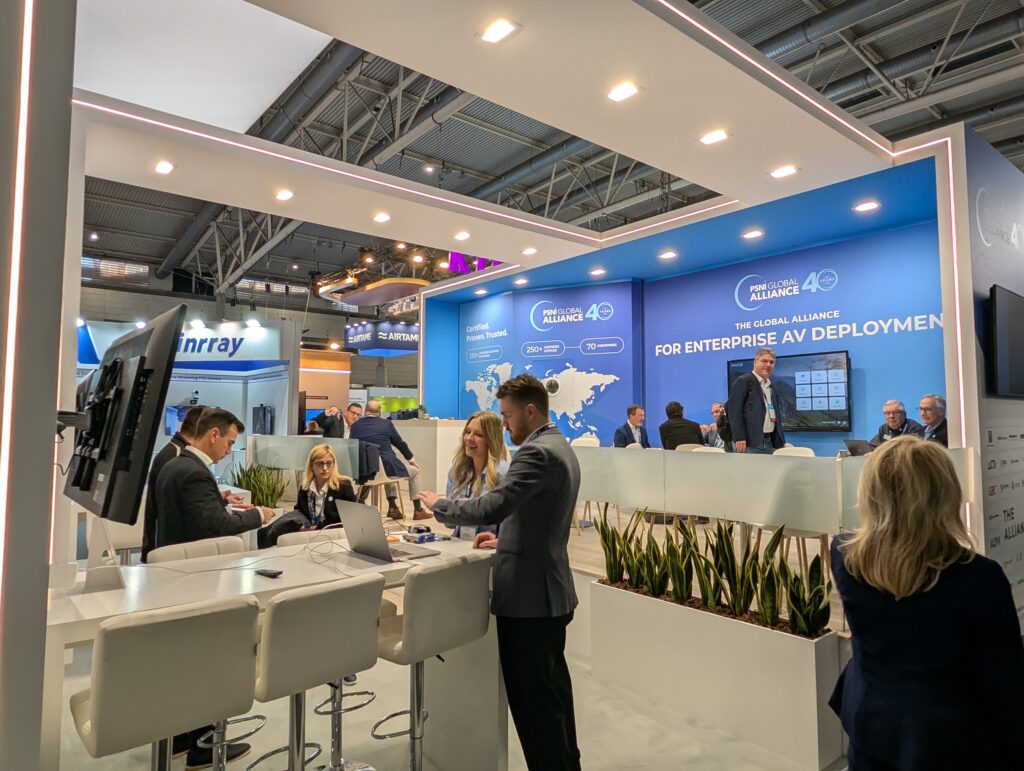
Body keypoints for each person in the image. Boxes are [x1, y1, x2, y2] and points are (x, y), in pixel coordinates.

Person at [418, 374, 582, 771]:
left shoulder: (536, 452)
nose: (504, 424)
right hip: (548, 592)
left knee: (535, 710)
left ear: (531, 410)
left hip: (530, 601)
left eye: (507, 415)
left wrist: (440, 505)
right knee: (554, 700)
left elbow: (494, 506)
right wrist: (506, 539)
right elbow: (537, 516)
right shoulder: (559, 445)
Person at [830, 436, 1024, 770]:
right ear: (946, 494)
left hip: (870, 721)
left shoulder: (844, 554)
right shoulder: (979, 577)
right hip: (948, 741)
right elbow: (1005, 683)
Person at [155, 408, 274, 549]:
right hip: (192, 558)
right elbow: (217, 526)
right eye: (230, 443)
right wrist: (259, 514)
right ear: (214, 435)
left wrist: (224, 506)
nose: (229, 451)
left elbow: (193, 513)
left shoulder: (175, 464)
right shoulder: (194, 473)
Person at [258, 443, 358, 548]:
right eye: (319, 464)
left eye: (329, 463)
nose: (325, 468)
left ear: (334, 464)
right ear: (311, 466)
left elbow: (351, 518)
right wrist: (302, 526)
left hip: (332, 535)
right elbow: (299, 511)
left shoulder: (343, 486)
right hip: (308, 532)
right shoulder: (305, 488)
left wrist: (318, 528)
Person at [349, 399, 426, 519]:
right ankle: (417, 510)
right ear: (379, 413)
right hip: (387, 468)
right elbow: (400, 444)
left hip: (365, 471)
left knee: (389, 468)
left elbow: (352, 447)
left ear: (365, 412)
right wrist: (412, 461)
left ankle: (393, 507)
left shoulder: (355, 426)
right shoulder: (386, 424)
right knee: (412, 471)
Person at [445, 411, 510, 540]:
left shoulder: (503, 473)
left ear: (491, 440)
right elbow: (449, 523)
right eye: (468, 432)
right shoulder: (456, 471)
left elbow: (507, 523)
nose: (469, 438)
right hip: (459, 541)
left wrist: (465, 509)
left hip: (489, 544)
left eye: (478, 435)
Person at [726, 347, 786, 453]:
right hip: (749, 443)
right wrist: (739, 437)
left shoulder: (771, 386)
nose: (768, 365)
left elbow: (775, 414)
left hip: (769, 441)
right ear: (755, 362)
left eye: (771, 362)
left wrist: (779, 441)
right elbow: (734, 412)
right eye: (764, 361)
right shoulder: (743, 381)